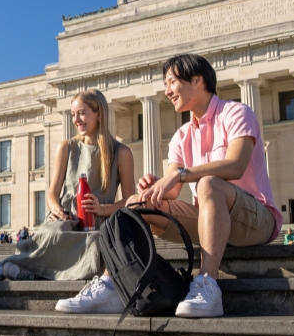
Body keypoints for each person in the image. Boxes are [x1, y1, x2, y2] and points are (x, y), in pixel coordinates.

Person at [117, 53, 280, 318]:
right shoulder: (181, 136)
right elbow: (169, 192)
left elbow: (236, 165)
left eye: (171, 82)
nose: (167, 90)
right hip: (209, 220)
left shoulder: (236, 112)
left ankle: (207, 284)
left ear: (197, 79)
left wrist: (181, 174)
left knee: (208, 185)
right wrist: (153, 187)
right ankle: (121, 283)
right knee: (135, 204)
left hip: (255, 221)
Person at [0, 89, 135, 303]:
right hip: (68, 218)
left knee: (95, 243)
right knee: (55, 233)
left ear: (99, 113)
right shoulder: (66, 147)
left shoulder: (121, 152)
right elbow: (52, 193)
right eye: (73, 114)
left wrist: (103, 209)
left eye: (82, 113)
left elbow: (131, 201)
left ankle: (29, 271)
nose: (76, 120)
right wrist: (56, 209)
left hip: (100, 221)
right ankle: (20, 264)